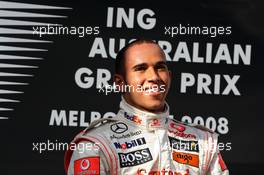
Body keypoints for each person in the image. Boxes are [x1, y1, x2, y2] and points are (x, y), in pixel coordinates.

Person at [64, 39, 229, 175]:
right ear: (120, 83)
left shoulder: (204, 141)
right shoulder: (95, 144)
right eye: (141, 69)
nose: (154, 77)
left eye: (160, 67)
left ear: (169, 77)